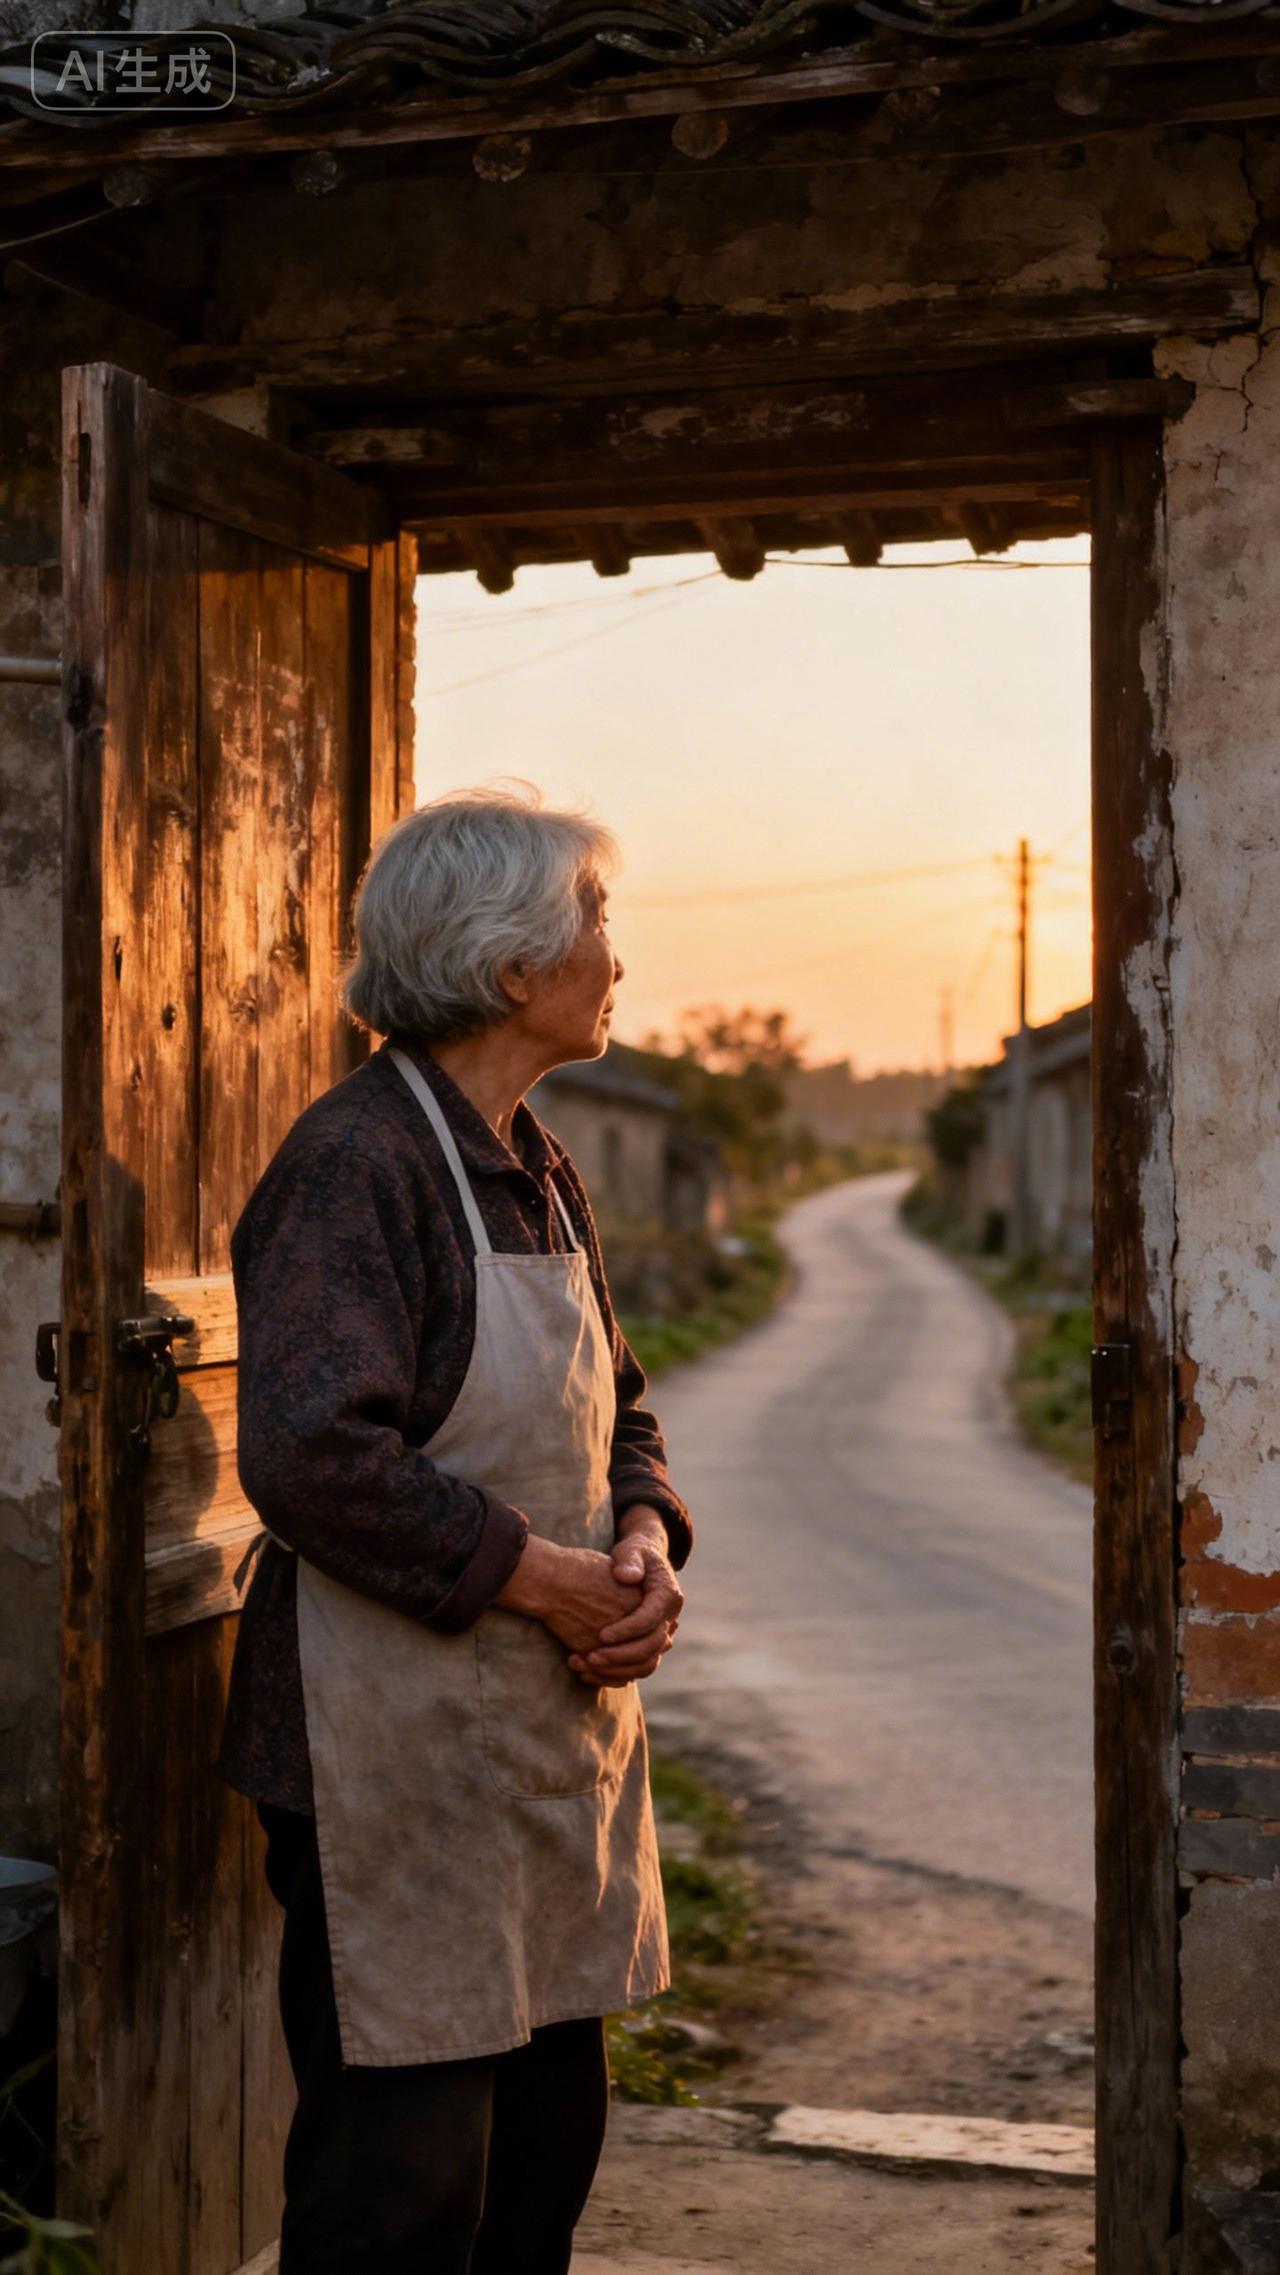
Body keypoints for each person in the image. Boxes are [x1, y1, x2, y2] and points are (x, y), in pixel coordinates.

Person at [217, 787, 692, 2274]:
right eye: (597, 924)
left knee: (541, 2162)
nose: (617, 959)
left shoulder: (537, 1163)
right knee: (403, 2192)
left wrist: (647, 1540)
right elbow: (310, 1456)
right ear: (511, 968)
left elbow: (620, 1400)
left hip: (543, 1750)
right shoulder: (357, 1165)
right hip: (387, 1767)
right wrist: (547, 1581)